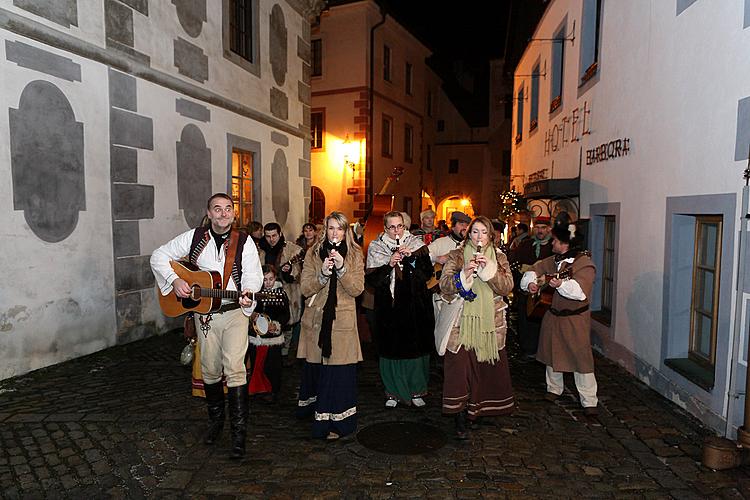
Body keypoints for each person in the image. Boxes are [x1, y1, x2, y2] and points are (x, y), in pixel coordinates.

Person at [150, 193, 263, 459]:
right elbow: (159, 256)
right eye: (217, 209)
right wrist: (174, 280)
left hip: (235, 312)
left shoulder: (244, 241)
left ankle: (238, 436)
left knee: (235, 369)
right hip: (206, 315)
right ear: (209, 213)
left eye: (228, 209)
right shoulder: (194, 237)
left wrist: (248, 291)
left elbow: (253, 274)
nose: (223, 214)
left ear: (234, 214)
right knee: (210, 369)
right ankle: (216, 423)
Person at [439, 216, 515, 439]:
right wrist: (464, 276)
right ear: (468, 234)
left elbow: (507, 286)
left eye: (483, 232)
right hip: (461, 323)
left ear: (490, 236)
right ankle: (460, 414)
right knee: (459, 368)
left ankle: (476, 410)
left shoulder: (499, 258)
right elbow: (444, 285)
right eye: (474, 232)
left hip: (490, 323)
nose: (478, 236)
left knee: (483, 368)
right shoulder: (457, 255)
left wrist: (489, 271)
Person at [296, 211, 365, 440]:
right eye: (331, 228)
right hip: (317, 321)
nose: (335, 233)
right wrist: (323, 275)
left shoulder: (355, 253)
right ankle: (316, 413)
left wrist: (343, 269)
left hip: (342, 322)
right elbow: (305, 288)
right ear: (325, 229)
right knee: (318, 371)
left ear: (346, 231)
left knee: (338, 373)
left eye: (340, 228)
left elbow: (357, 289)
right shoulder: (313, 253)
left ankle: (338, 422)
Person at [520, 222, 598, 415]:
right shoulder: (554, 260)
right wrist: (531, 283)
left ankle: (589, 400)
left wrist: (561, 284)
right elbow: (534, 269)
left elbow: (580, 292)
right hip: (553, 316)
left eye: (554, 240)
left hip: (574, 319)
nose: (551, 242)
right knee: (551, 353)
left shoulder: (584, 264)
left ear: (564, 243)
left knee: (581, 359)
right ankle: (554, 388)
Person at [366, 211, 435, 408]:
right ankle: (393, 392)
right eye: (392, 227)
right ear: (385, 228)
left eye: (400, 226)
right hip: (389, 307)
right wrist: (389, 264)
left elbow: (427, 274)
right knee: (391, 348)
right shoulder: (376, 247)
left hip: (415, 306)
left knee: (416, 347)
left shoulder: (417, 245)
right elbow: (372, 281)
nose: (397, 230)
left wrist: (410, 260)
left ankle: (417, 390)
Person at [509, 216, 553, 358]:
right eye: (538, 227)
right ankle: (527, 349)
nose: (540, 231)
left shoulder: (554, 246)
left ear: (549, 229)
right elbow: (514, 264)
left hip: (546, 293)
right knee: (525, 320)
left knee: (542, 322)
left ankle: (542, 350)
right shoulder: (525, 245)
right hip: (526, 291)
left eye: (543, 228)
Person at [258, 223, 304, 358]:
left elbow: (298, 274)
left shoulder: (291, 250)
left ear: (280, 234)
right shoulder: (260, 250)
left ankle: (285, 352)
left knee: (286, 322)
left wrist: (288, 271)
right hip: (265, 291)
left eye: (274, 236)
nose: (271, 239)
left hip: (286, 291)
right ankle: (268, 351)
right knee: (266, 320)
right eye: (268, 236)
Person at [247, 264, 290, 402]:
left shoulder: (281, 294)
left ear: (275, 278)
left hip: (273, 337)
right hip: (256, 335)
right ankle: (258, 388)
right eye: (265, 280)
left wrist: (277, 325)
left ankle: (272, 390)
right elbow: (248, 308)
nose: (268, 282)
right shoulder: (255, 293)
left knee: (272, 365)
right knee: (256, 363)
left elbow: (285, 315)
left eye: (271, 279)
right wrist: (252, 315)